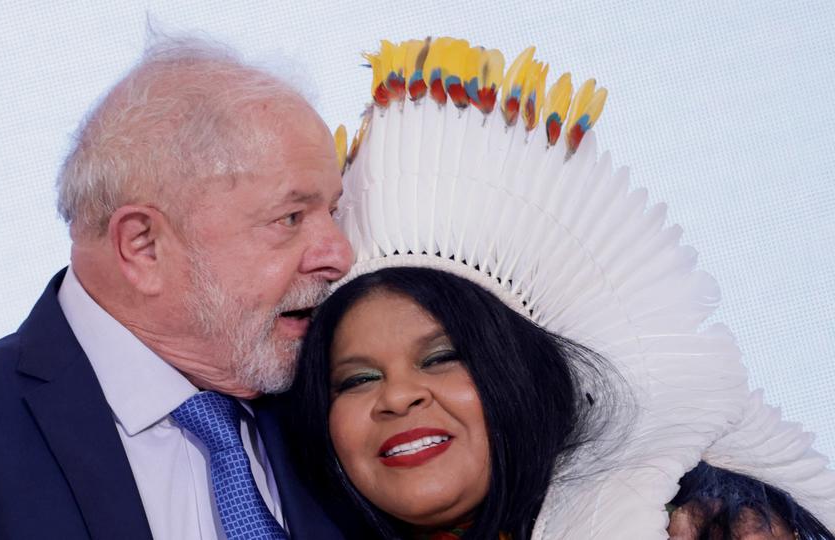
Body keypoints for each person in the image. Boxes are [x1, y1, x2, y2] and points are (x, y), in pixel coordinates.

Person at [284, 37, 835, 539]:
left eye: (442, 358)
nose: (399, 395)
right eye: (356, 379)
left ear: (527, 377)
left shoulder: (704, 526)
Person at [0, 36, 354, 539]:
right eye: (290, 218)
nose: (337, 254)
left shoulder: (350, 408)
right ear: (143, 246)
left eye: (334, 211)